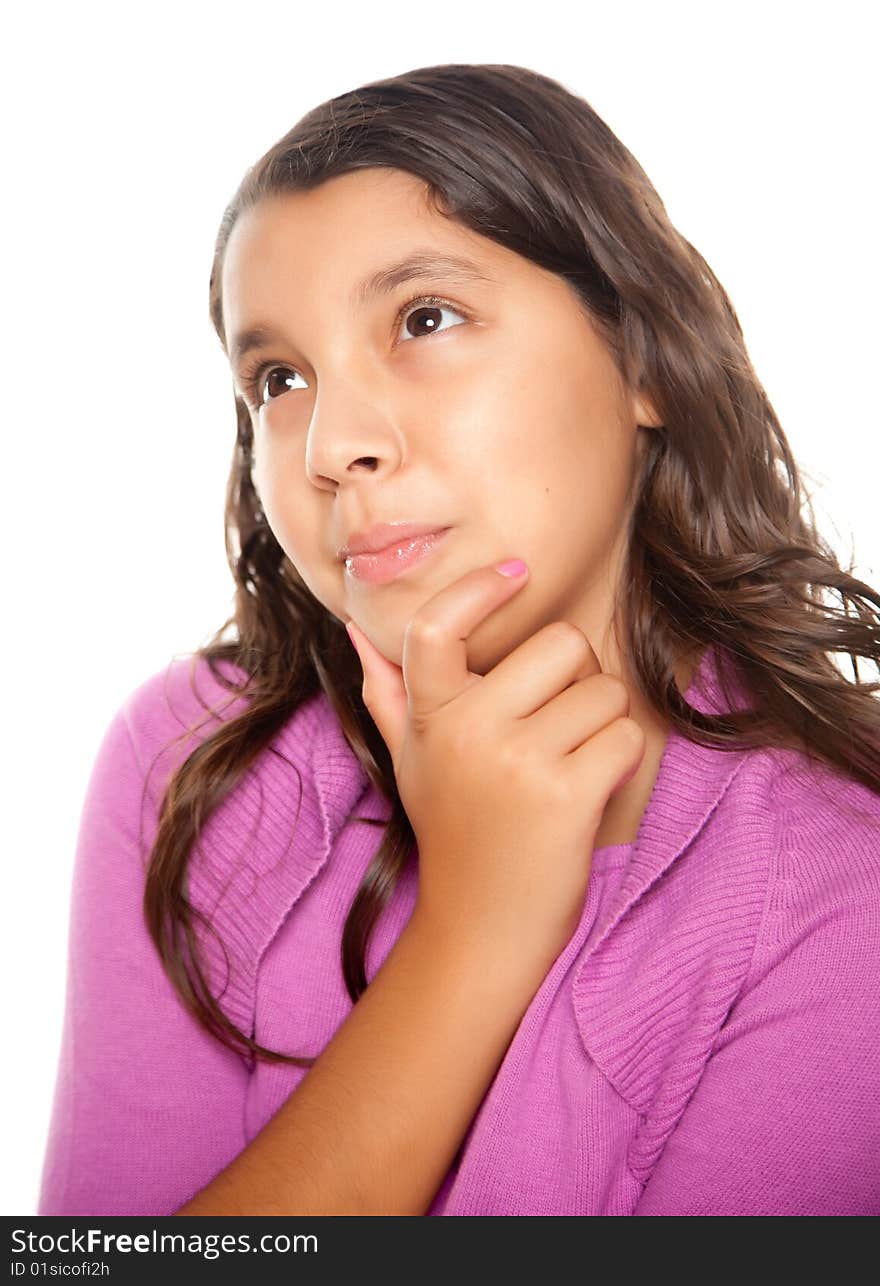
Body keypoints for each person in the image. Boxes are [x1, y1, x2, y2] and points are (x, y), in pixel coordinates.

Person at [38, 62, 880, 1218]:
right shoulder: (196, 761)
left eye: (425, 319)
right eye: (279, 378)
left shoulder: (842, 877)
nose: (333, 442)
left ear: (641, 358)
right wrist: (475, 929)